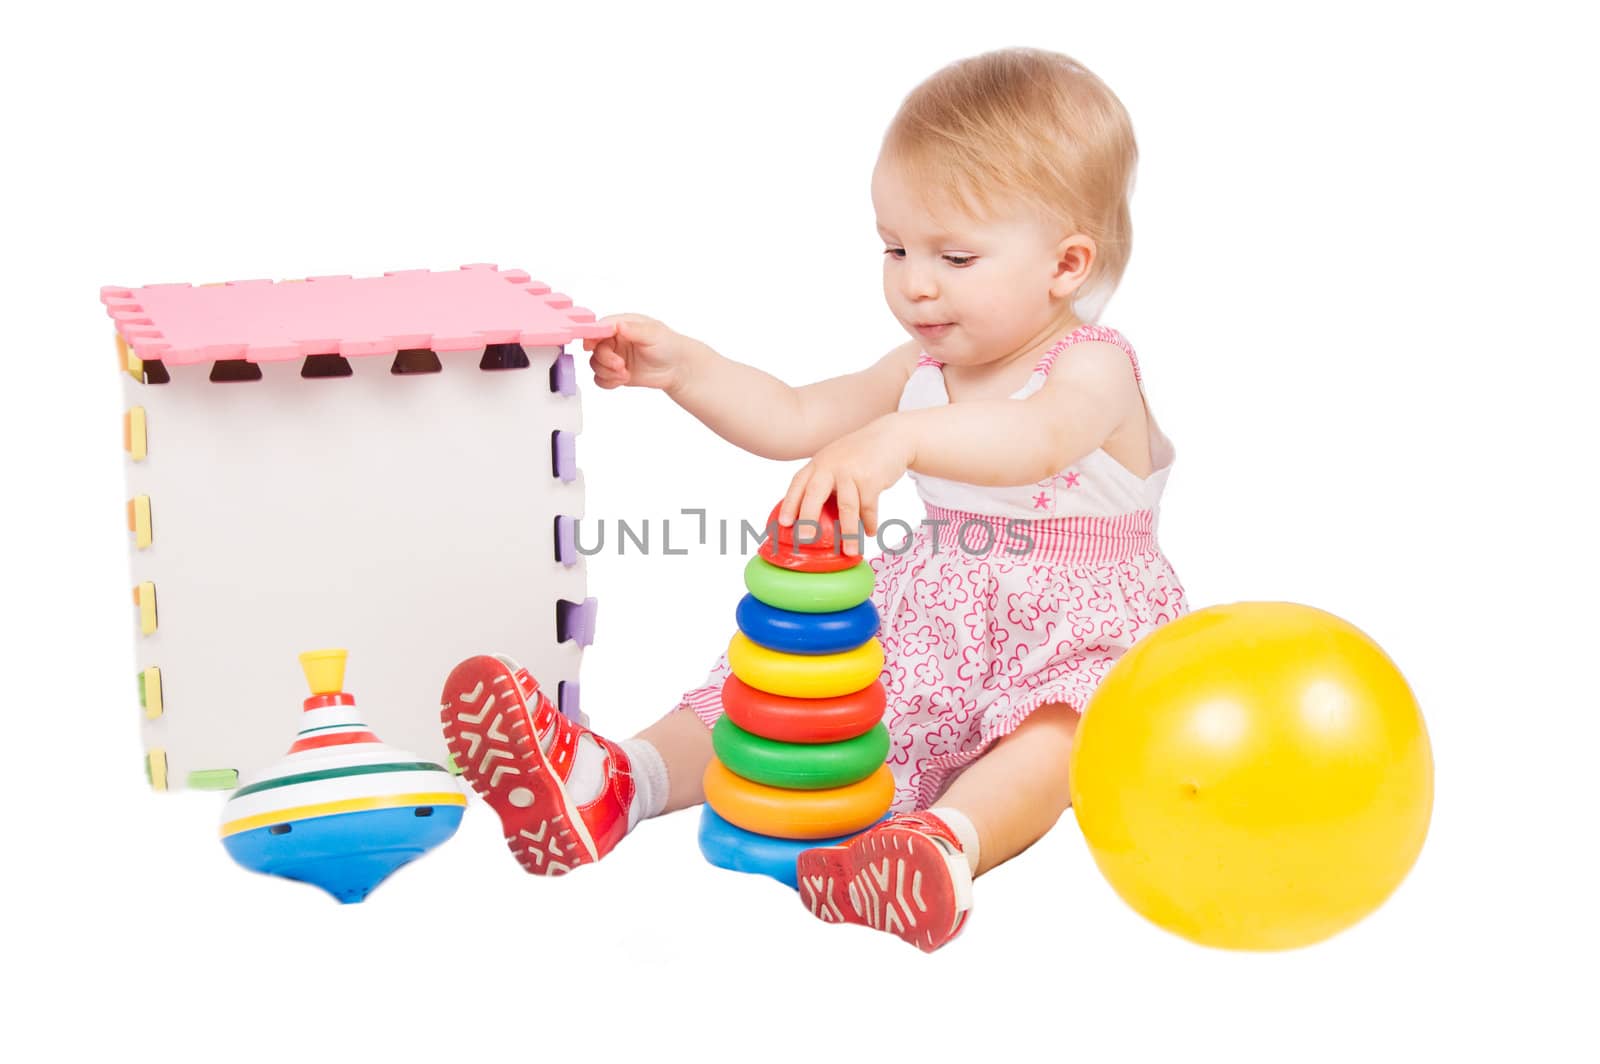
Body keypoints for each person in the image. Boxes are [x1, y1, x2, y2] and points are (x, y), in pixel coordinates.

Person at [440, 46, 1186, 952]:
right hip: (935, 616)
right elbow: (796, 415)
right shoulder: (918, 368)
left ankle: (940, 847)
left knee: (1064, 730)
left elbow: (1034, 441)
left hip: (1077, 630)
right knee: (765, 696)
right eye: (896, 246)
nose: (915, 281)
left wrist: (900, 439)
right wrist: (689, 369)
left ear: (1068, 265)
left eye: (955, 254)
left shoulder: (1094, 366)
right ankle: (613, 781)